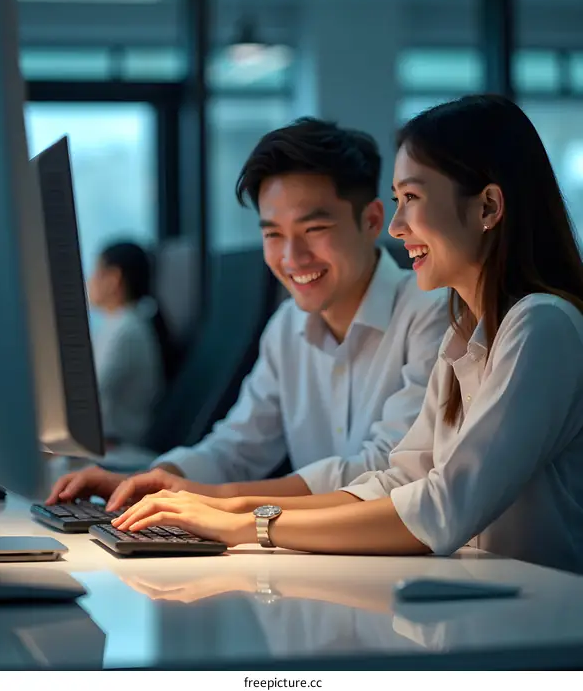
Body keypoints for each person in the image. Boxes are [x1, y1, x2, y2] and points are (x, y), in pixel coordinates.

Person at [110, 96, 583, 574]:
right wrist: (221, 507)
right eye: (398, 202)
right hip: (476, 597)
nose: (398, 228)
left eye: (413, 199)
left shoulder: (540, 325)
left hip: (540, 610)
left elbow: (441, 506)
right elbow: (399, 478)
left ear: (487, 205)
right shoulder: (466, 332)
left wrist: (249, 523)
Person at [47, 118, 447, 505]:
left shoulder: (431, 313)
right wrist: (148, 481)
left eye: (313, 230)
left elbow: (387, 470)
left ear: (372, 220)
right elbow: (235, 449)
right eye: (273, 234)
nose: (292, 258)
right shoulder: (287, 326)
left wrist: (216, 500)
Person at [87, 241, 178, 448]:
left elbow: (89, 392)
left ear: (113, 278)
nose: (89, 281)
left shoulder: (127, 330)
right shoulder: (119, 324)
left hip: (118, 446)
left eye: (95, 272)